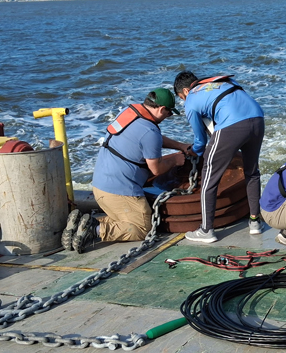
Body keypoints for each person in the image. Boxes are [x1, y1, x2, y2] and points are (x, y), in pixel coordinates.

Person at [64, 87, 192, 253]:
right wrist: (175, 159)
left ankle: (81, 224)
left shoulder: (128, 112)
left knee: (125, 220)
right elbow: (157, 169)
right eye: (169, 113)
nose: (169, 117)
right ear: (161, 109)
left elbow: (146, 140)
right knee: (142, 227)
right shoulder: (149, 131)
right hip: (120, 193)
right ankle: (94, 229)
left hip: (100, 188)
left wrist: (179, 146)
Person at [173, 71, 265, 243]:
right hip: (258, 119)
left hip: (233, 125)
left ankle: (206, 230)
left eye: (181, 97)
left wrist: (196, 153)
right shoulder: (222, 83)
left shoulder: (191, 99)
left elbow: (200, 140)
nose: (183, 101)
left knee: (209, 176)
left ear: (185, 91)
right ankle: (255, 222)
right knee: (252, 172)